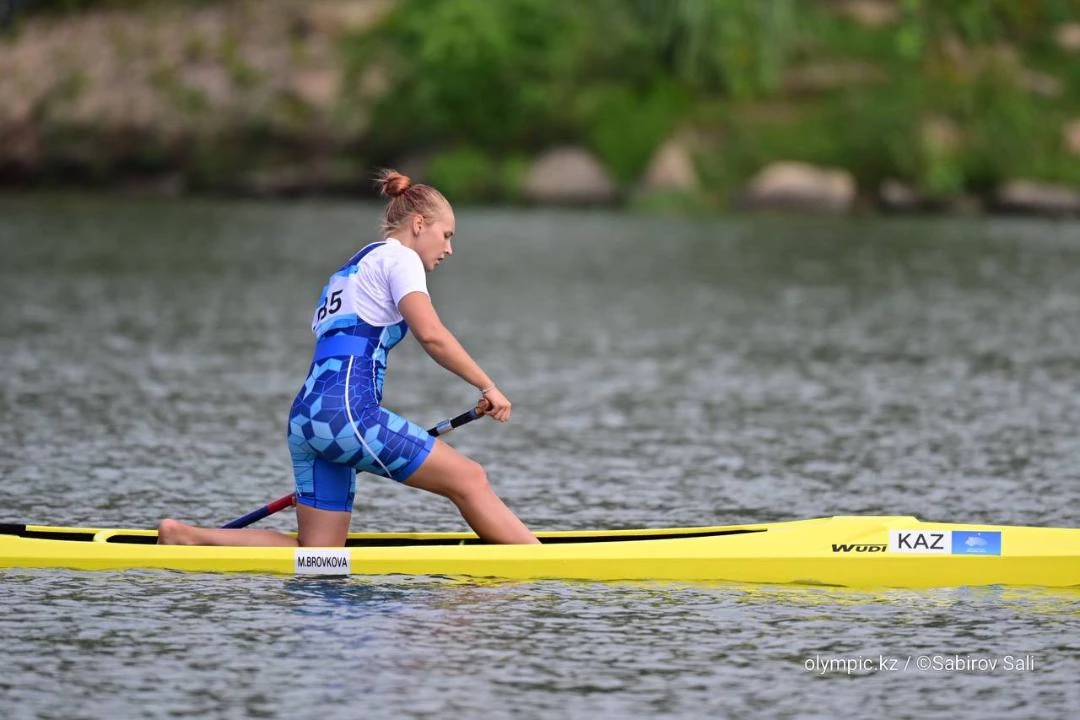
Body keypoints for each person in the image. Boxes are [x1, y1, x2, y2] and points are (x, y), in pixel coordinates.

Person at [158, 170, 539, 546]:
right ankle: (539, 568)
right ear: (419, 224)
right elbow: (432, 335)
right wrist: (487, 385)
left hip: (308, 419)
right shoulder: (400, 260)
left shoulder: (349, 270)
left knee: (319, 555)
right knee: (469, 479)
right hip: (348, 416)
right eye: (447, 235)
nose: (449, 249)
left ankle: (188, 538)